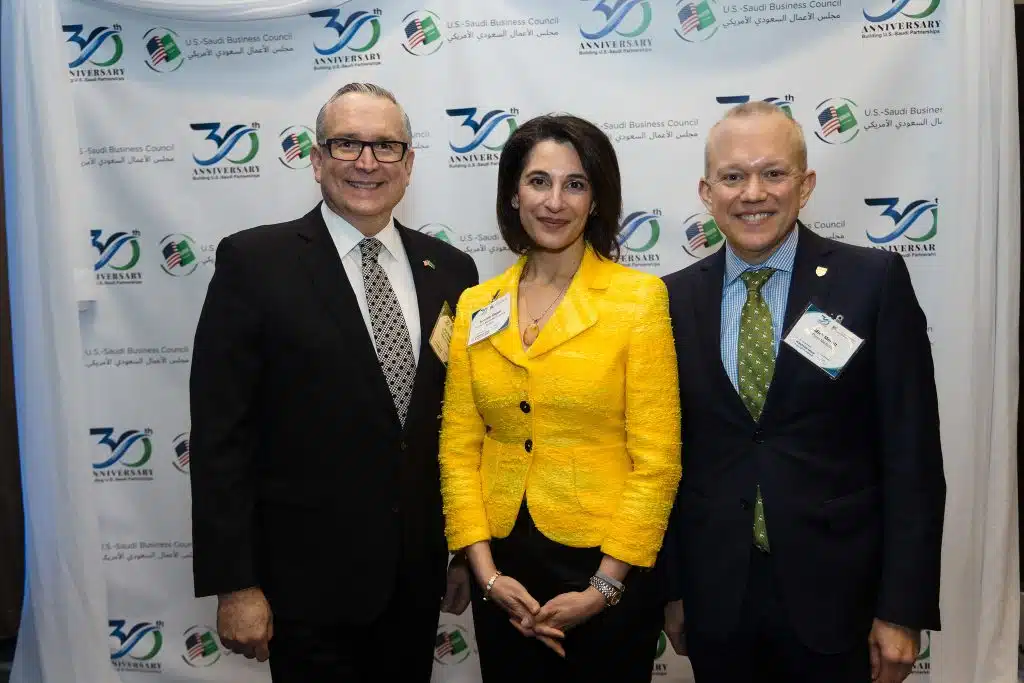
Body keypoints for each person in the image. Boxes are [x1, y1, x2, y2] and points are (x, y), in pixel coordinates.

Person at [188, 82, 479, 682]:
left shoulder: (451, 270)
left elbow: (459, 425)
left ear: (409, 163)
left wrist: (462, 550)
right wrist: (235, 583)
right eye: (347, 144)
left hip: (415, 582)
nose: (367, 162)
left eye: (385, 146)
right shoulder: (255, 263)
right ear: (317, 159)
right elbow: (221, 437)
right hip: (304, 591)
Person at [660, 101, 946, 683]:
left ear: (806, 184)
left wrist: (902, 609)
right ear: (707, 192)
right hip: (717, 601)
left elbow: (912, 457)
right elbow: (662, 457)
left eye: (773, 173)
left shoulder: (873, 282)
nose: (753, 193)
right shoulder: (669, 300)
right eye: (733, 176)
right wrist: (671, 589)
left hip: (839, 599)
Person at [437, 114, 682, 682]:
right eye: (538, 181)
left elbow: (658, 461)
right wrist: (486, 574)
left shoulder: (638, 300)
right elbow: (458, 449)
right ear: (513, 194)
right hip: (502, 571)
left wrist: (602, 589)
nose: (554, 201)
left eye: (575, 184)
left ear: (596, 200)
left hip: (606, 567)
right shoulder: (477, 305)